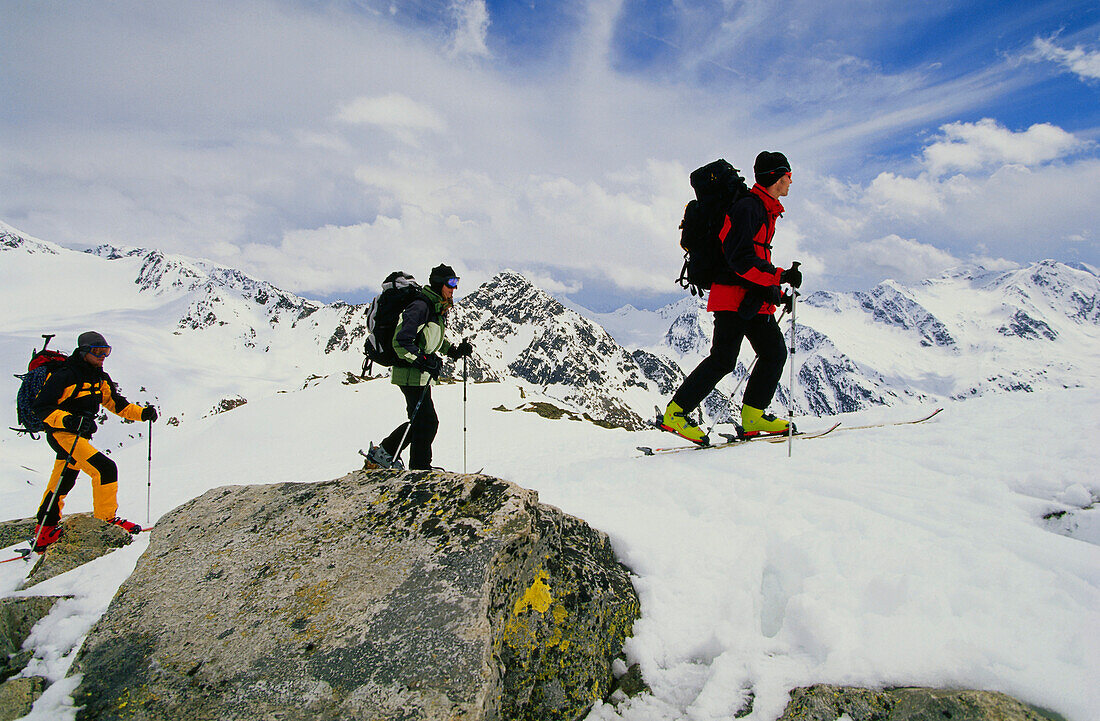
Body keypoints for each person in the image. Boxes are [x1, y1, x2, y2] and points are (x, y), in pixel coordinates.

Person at [659, 151, 803, 445]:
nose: (791, 181)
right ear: (778, 176)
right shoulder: (750, 208)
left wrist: (774, 289)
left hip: (743, 296)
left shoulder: (762, 208)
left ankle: (750, 416)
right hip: (735, 297)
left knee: (763, 353)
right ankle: (680, 414)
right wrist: (779, 277)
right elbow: (740, 260)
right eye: (789, 175)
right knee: (733, 357)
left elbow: (750, 259)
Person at [32, 331, 159, 550]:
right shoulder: (65, 375)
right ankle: (106, 522)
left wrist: (142, 414)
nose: (103, 356)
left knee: (63, 481)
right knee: (105, 469)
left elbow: (117, 404)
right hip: (62, 434)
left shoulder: (100, 378)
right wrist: (69, 420)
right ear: (84, 352)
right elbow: (41, 408)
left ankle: (45, 530)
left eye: (106, 352)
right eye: (98, 352)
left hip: (77, 436)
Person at [364, 264, 473, 470]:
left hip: (419, 374)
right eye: (451, 283)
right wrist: (424, 360)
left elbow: (432, 339)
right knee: (427, 422)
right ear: (439, 283)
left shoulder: (436, 306)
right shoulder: (421, 306)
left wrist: (455, 351)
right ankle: (413, 465)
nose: (454, 288)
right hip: (409, 373)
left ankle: (398, 458)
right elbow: (401, 341)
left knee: (423, 422)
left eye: (456, 282)